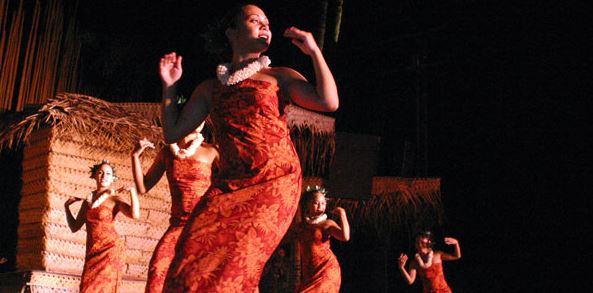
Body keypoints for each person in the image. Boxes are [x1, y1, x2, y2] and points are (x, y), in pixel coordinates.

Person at [159, 3, 339, 292]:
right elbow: (172, 132)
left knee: (236, 266)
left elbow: (328, 102)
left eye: (267, 22)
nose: (265, 26)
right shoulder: (209, 88)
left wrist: (314, 52)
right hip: (228, 186)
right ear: (231, 32)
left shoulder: (279, 76)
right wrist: (170, 87)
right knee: (188, 259)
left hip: (273, 183)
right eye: (255, 20)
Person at [130, 122, 218, 293]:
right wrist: (134, 156)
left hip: (204, 228)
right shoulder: (167, 153)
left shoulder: (212, 151)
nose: (197, 120)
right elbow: (143, 187)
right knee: (158, 272)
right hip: (178, 226)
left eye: (201, 117)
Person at [64, 161, 140, 293]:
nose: (104, 176)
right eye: (101, 172)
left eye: (108, 174)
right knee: (87, 288)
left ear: (112, 179)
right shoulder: (88, 201)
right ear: (94, 176)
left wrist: (133, 192)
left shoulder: (114, 198)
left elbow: (135, 215)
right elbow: (74, 227)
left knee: (104, 288)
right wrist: (66, 208)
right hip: (92, 251)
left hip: (110, 249)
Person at [295, 186, 350, 293]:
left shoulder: (327, 224)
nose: (320, 206)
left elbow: (345, 237)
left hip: (327, 270)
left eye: (323, 203)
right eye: (316, 203)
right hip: (310, 274)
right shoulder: (301, 226)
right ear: (307, 204)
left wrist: (342, 214)